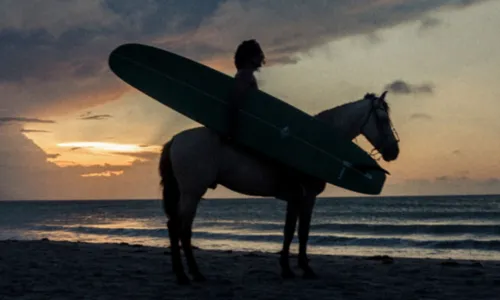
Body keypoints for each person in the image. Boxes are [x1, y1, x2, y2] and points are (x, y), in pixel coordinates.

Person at [224, 39, 266, 141]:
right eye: (258, 53)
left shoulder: (246, 75)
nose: (261, 56)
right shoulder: (245, 75)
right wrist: (231, 131)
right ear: (250, 57)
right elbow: (234, 100)